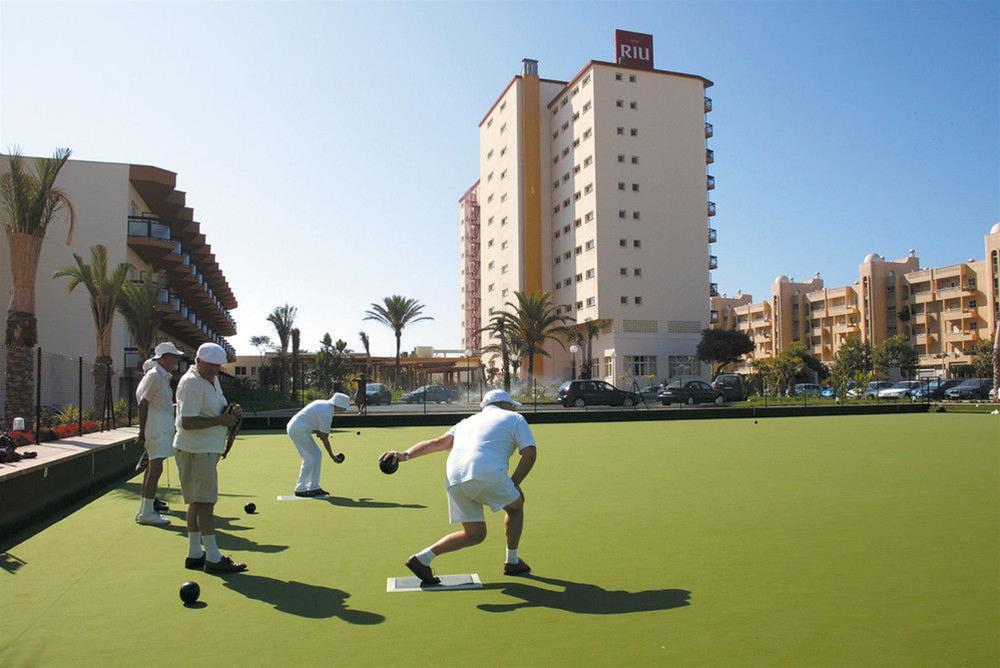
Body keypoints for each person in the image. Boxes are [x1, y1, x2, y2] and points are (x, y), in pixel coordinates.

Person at [380, 389, 537, 584]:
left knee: (475, 534)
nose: (513, 407)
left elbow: (437, 443)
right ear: (503, 404)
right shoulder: (515, 418)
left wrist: (404, 455)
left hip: (454, 478)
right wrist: (514, 484)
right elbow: (529, 453)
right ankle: (512, 561)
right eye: (511, 404)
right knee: (516, 506)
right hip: (486, 473)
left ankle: (422, 559)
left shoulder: (466, 423)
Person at [173, 342, 245, 574]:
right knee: (205, 503)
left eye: (217, 367)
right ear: (198, 361)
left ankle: (195, 554)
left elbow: (215, 408)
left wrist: (230, 410)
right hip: (196, 450)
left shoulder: (209, 379)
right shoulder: (192, 383)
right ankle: (213, 558)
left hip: (203, 449)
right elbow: (188, 421)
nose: (214, 371)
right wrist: (221, 421)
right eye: (210, 366)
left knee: (197, 501)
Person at [134, 342, 183, 526]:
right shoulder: (155, 375)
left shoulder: (161, 376)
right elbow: (143, 403)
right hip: (156, 429)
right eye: (173, 356)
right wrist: (142, 431)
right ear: (163, 358)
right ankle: (147, 513)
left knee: (153, 469)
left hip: (160, 428)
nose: (177, 360)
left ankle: (145, 510)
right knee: (155, 469)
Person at [286, 392, 351, 497]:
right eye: (344, 408)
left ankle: (313, 486)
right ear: (338, 405)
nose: (345, 410)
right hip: (298, 430)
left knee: (317, 454)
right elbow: (325, 438)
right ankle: (300, 488)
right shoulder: (327, 413)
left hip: (298, 428)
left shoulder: (323, 404)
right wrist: (332, 456)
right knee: (309, 458)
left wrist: (319, 432)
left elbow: (312, 421)